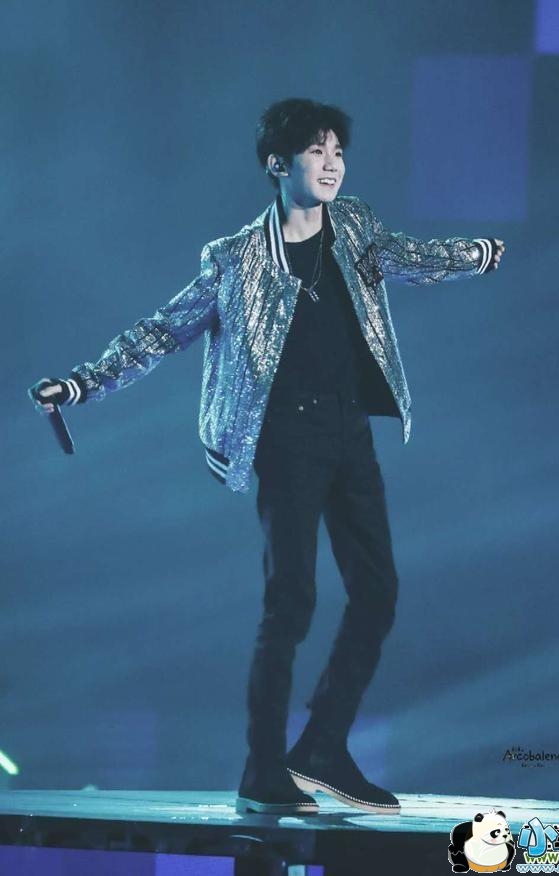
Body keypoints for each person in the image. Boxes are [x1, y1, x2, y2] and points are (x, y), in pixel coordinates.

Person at [28, 97, 506, 817]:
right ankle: (261, 769)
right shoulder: (234, 259)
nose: (332, 164)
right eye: (317, 151)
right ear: (278, 164)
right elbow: (161, 331)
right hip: (285, 438)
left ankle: (322, 748)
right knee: (292, 601)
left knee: (378, 592)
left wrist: (476, 255)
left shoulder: (356, 227)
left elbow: (412, 256)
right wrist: (80, 384)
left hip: (350, 431)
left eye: (338, 152)